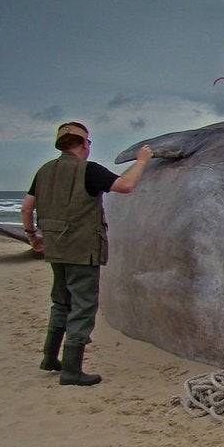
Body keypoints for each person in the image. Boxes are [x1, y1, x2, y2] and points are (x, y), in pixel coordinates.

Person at [21, 122, 153, 386]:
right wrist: (142, 160)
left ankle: (49, 357)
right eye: (88, 142)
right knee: (83, 306)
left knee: (61, 301)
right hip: (82, 250)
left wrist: (33, 236)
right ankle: (71, 369)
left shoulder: (44, 171)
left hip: (55, 249)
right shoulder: (88, 170)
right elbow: (126, 186)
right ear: (84, 144)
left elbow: (26, 208)